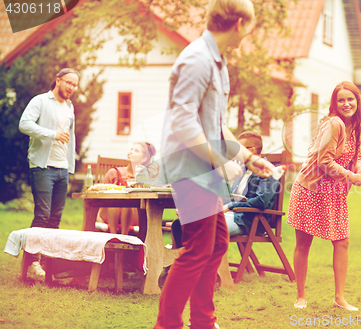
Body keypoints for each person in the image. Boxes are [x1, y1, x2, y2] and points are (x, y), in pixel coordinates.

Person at [155, 0, 274, 328]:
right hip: (189, 165)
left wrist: (248, 157)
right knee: (198, 248)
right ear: (238, 24)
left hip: (203, 168)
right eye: (248, 26)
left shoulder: (218, 63)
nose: (248, 33)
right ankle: (169, 324)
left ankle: (203, 321)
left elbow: (216, 125)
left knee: (217, 243)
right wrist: (216, 161)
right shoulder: (196, 60)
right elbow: (183, 122)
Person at [287, 81, 361, 311]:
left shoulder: (356, 125)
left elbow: (357, 157)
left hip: (335, 192)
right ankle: (300, 296)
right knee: (304, 243)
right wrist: (351, 177)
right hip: (311, 189)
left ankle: (339, 298)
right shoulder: (334, 124)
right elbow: (323, 161)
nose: (347, 104)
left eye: (351, 99)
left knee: (342, 242)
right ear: (335, 104)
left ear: (357, 101)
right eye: (341, 100)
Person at [18, 68, 80, 279]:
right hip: (42, 167)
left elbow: (70, 137)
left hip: (62, 168)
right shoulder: (41, 101)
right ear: (58, 80)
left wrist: (71, 163)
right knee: (42, 215)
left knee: (55, 218)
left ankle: (48, 264)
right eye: (69, 82)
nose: (72, 87)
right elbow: (24, 124)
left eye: (75, 84)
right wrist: (52, 134)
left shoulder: (70, 106)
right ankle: (31, 263)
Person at [223, 131, 280, 236]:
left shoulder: (268, 171)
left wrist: (231, 205)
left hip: (247, 221)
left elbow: (260, 202)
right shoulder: (242, 169)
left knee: (208, 231)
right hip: (230, 215)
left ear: (251, 151)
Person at [96, 142, 157, 235]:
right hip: (110, 213)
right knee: (114, 200)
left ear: (144, 158)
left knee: (128, 203)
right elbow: (100, 197)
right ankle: (114, 236)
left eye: (136, 151)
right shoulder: (113, 172)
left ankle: (124, 236)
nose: (131, 152)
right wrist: (97, 216)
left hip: (134, 215)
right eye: (131, 149)